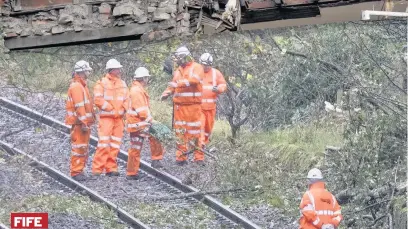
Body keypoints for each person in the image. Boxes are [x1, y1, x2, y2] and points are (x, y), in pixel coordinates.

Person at [161, 46, 205, 165]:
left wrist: (178, 84)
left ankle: (199, 158)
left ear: (184, 57)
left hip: (193, 106)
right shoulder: (178, 70)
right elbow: (173, 85)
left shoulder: (197, 67)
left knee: (196, 132)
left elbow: (194, 81)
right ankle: (181, 157)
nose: (177, 60)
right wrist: (166, 93)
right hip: (179, 107)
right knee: (180, 133)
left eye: (179, 58)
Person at [126, 67, 165, 180]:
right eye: (147, 78)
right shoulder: (137, 91)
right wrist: (151, 121)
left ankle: (133, 172)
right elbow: (142, 110)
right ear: (143, 78)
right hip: (139, 124)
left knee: (137, 147)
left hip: (138, 124)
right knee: (154, 136)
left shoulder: (137, 89)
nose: (148, 80)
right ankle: (155, 160)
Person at [92, 59, 129, 176]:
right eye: (117, 68)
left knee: (115, 145)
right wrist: (111, 109)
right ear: (111, 70)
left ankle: (111, 168)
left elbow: (127, 100)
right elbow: (98, 99)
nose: (119, 70)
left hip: (118, 119)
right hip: (106, 118)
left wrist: (123, 110)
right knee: (103, 144)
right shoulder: (101, 83)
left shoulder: (122, 84)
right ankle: (97, 169)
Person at [64, 60, 95, 181]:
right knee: (79, 148)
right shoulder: (77, 86)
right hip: (79, 124)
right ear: (82, 71)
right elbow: (80, 106)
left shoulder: (81, 85)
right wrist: (84, 122)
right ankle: (76, 172)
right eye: (87, 70)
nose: (88, 72)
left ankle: (79, 170)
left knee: (82, 147)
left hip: (81, 123)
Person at [198, 53, 227, 152]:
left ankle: (203, 146)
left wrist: (219, 89)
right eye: (204, 65)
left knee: (207, 130)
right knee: (200, 129)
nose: (206, 67)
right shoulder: (196, 72)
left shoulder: (216, 73)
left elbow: (223, 85)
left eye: (208, 65)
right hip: (199, 108)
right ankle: (199, 155)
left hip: (211, 108)